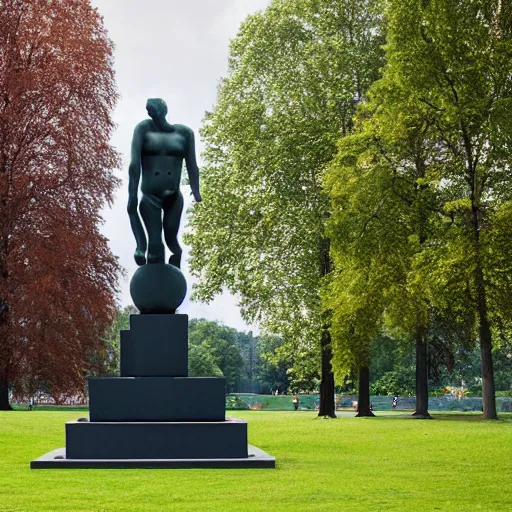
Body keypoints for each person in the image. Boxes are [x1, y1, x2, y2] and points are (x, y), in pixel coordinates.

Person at [127, 98, 202, 268]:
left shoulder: (185, 134)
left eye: (154, 111)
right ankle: (150, 269)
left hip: (173, 197)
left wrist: (195, 190)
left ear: (163, 111)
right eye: (149, 112)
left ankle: (176, 261)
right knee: (155, 245)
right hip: (150, 196)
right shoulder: (143, 129)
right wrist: (132, 194)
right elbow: (134, 164)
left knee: (171, 240)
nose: (151, 115)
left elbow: (192, 164)